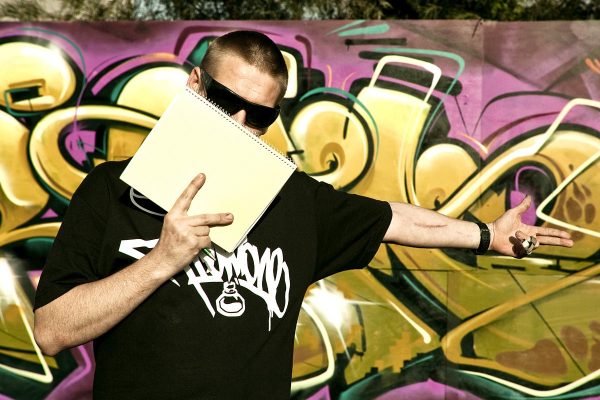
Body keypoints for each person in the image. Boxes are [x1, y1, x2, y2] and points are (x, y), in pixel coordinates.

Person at [33, 30, 573, 400]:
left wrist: (486, 235)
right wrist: (161, 260)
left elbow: (394, 219)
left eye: (259, 115)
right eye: (224, 101)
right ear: (194, 84)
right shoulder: (112, 189)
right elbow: (53, 330)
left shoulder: (291, 199)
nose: (239, 123)